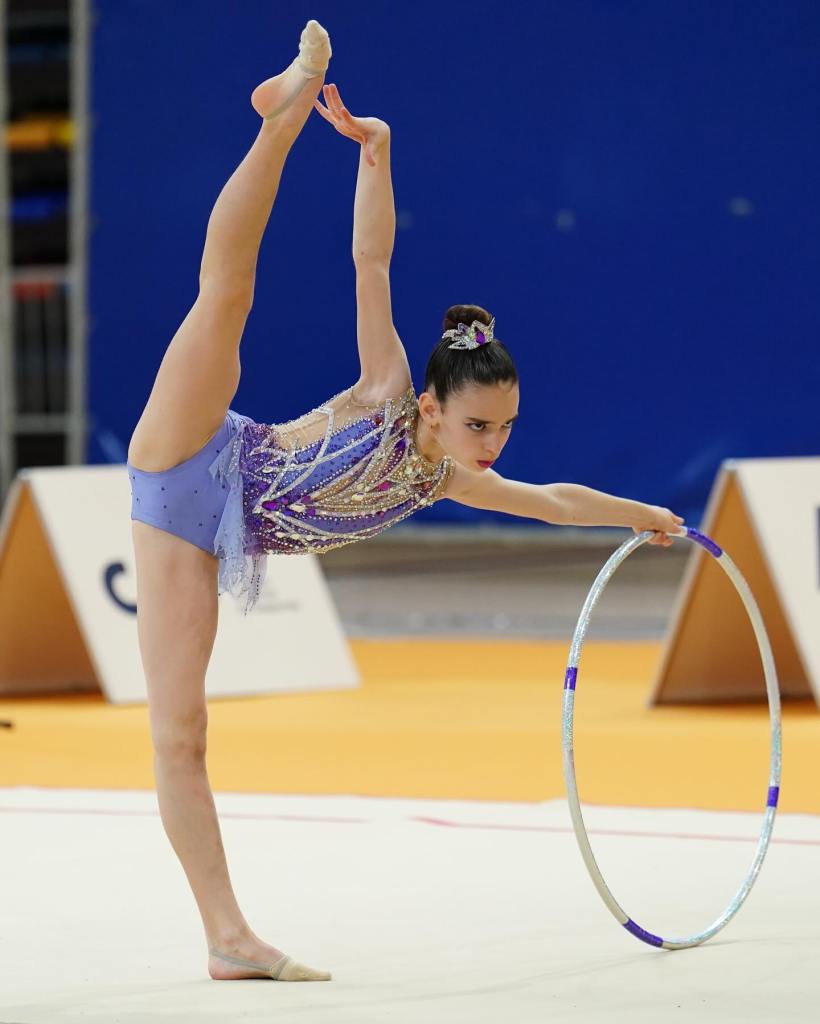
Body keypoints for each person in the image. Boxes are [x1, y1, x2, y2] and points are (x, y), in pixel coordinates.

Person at [126, 19, 684, 984]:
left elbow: (551, 501)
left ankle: (225, 937)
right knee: (226, 297)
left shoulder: (442, 475)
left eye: (505, 427)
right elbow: (371, 263)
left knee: (183, 735)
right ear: (432, 406)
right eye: (478, 426)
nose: (493, 445)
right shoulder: (387, 390)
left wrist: (643, 515)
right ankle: (281, 119)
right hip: (192, 454)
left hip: (206, 535)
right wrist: (374, 152)